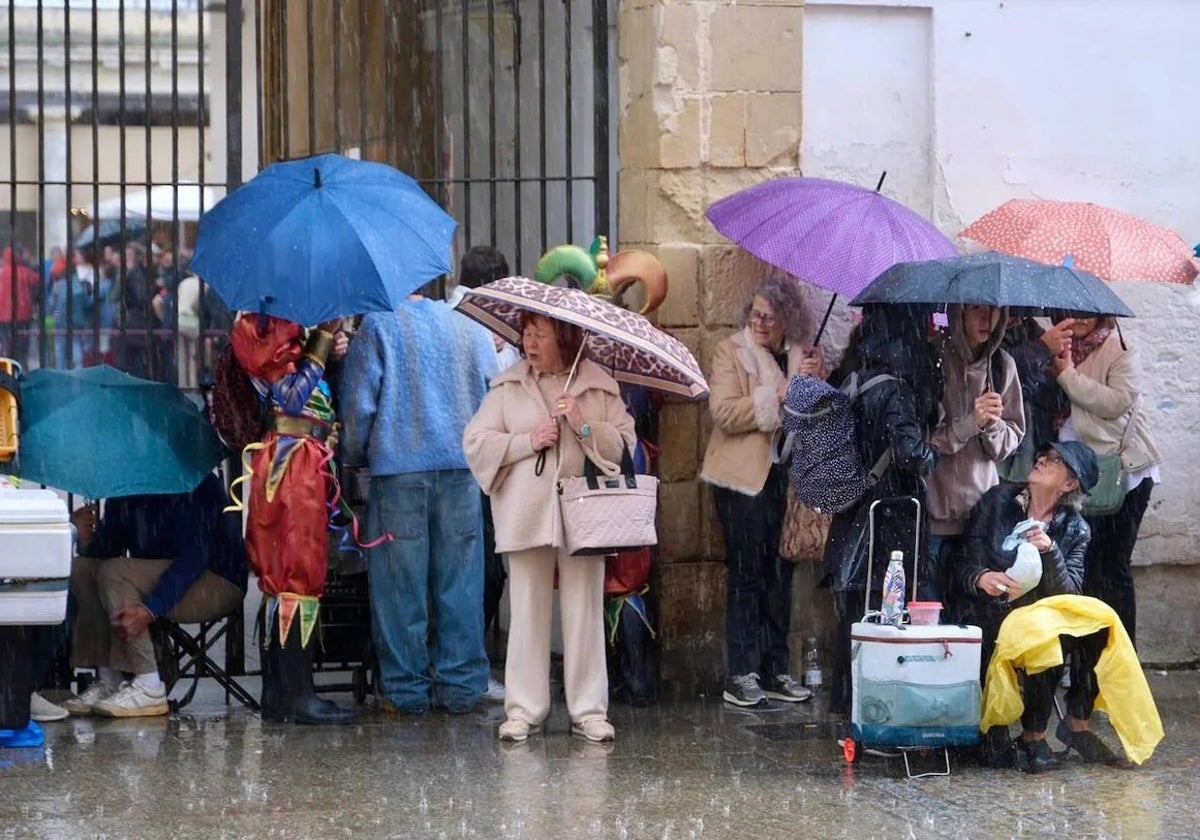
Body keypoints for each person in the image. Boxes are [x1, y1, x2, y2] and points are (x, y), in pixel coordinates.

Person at [463, 312, 636, 742]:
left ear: (565, 336)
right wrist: (527, 441)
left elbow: (626, 443)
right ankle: (523, 709)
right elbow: (475, 441)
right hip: (527, 513)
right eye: (526, 334)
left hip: (586, 514)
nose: (529, 343)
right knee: (526, 610)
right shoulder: (508, 386)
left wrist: (583, 424)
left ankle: (589, 711)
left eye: (540, 334)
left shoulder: (598, 384)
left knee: (584, 612)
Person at [340, 295, 497, 715]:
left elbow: (359, 406)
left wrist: (353, 454)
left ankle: (405, 690)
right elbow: (491, 393)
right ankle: (461, 686)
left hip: (399, 473)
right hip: (462, 470)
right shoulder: (470, 325)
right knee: (460, 582)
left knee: (399, 588)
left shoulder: (377, 325)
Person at [948, 441, 1121, 771]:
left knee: (1095, 629)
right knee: (1041, 634)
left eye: (1055, 461)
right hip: (989, 611)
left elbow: (1069, 592)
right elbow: (962, 563)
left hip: (1038, 620)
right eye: (1044, 455)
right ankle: (1025, 735)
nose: (1041, 460)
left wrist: (1049, 550)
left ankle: (1062, 725)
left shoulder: (1074, 529)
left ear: (1070, 484)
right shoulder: (998, 501)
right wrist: (982, 577)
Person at [698, 276, 823, 707]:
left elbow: (814, 418)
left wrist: (810, 384)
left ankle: (774, 668)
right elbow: (724, 412)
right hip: (741, 481)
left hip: (785, 480)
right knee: (747, 574)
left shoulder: (798, 357)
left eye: (770, 316)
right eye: (756, 315)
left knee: (780, 574)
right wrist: (778, 394)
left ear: (788, 318)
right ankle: (741, 672)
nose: (762, 323)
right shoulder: (730, 352)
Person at [230, 312, 355, 725]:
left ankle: (282, 693)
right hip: (293, 460)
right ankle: (295, 694)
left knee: (289, 573)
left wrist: (328, 345)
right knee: (295, 571)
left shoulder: (286, 322)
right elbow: (290, 397)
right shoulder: (260, 324)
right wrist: (322, 343)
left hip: (302, 456)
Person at [820, 304, 941, 716]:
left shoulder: (854, 376)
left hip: (853, 512)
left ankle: (847, 702)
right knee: (886, 611)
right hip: (890, 517)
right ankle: (877, 706)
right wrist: (932, 454)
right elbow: (910, 453)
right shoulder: (897, 387)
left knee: (853, 616)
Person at [62, 473, 249, 717]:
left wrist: (151, 608)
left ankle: (149, 684)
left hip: (217, 580)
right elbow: (106, 551)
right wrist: (85, 539)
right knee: (83, 569)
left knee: (114, 572)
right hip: (168, 575)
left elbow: (196, 557)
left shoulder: (197, 482)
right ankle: (110, 680)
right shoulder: (128, 485)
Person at [1050, 316, 1160, 649]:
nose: (1081, 318)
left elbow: (1115, 403)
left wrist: (1066, 374)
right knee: (1084, 566)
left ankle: (1120, 656)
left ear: (1103, 314)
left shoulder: (1120, 349)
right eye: (1074, 311)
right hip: (1081, 476)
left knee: (1113, 567)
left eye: (1089, 312)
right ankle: (1087, 658)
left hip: (1123, 473)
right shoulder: (1056, 346)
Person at [446, 245, 519, 703]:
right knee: (483, 571)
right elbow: (495, 388)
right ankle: (466, 669)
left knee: (458, 571)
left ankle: (455, 665)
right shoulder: (478, 328)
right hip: (479, 463)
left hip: (454, 461)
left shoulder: (450, 318)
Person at [924, 304, 1025, 601]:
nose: (987, 319)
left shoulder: (1002, 365)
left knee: (973, 618)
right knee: (931, 615)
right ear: (958, 312)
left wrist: (991, 426)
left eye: (995, 311)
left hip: (982, 518)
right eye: (977, 309)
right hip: (935, 514)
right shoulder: (933, 359)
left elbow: (1012, 440)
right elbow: (923, 442)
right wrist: (971, 422)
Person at [997, 316, 1074, 482]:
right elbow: (994, 370)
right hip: (1004, 448)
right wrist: (1042, 348)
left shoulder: (1028, 328)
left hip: (1037, 438)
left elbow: (1049, 385)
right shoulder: (984, 330)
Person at [1, 246, 41, 366]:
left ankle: (7, 367)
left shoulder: (1, 271)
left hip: (2, 315)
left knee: (7, 342)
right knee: (23, 344)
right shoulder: (24, 271)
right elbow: (37, 280)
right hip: (23, 314)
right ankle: (22, 366)